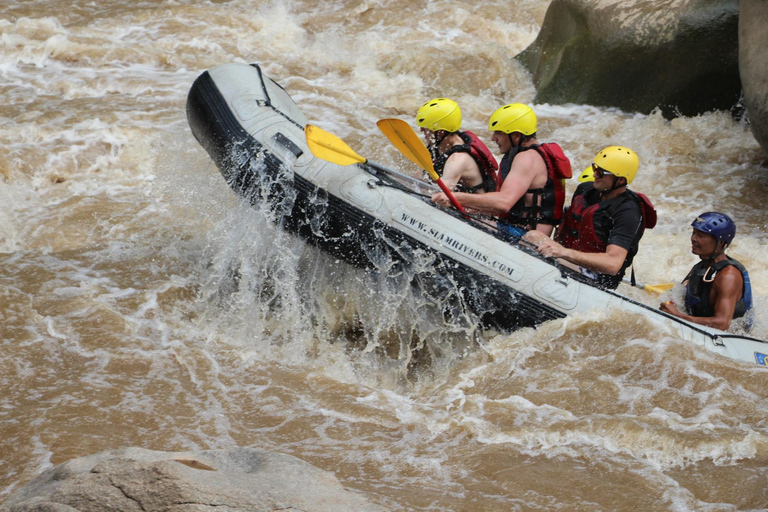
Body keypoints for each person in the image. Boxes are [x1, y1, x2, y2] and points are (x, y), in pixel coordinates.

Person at [431, 103, 572, 237]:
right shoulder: (527, 154)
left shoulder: (527, 158)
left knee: (457, 224)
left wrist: (455, 197)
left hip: (525, 239)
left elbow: (504, 203)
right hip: (516, 229)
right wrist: (467, 205)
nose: (493, 138)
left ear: (516, 136)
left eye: (499, 133)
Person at [532, 146, 657, 289]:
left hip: (597, 277)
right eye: (595, 168)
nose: (595, 175)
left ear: (620, 180)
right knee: (532, 236)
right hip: (567, 259)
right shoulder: (585, 190)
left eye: (601, 172)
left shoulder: (628, 212)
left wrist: (564, 253)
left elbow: (613, 264)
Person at [660, 212, 753, 331]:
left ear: (720, 242)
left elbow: (722, 324)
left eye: (701, 235)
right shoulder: (702, 266)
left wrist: (678, 316)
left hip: (731, 340)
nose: (693, 239)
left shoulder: (728, 276)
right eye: (694, 233)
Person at [415, 98, 499, 193]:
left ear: (441, 131)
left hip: (475, 206)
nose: (422, 130)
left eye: (427, 128)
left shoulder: (458, 158)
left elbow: (439, 192)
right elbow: (420, 177)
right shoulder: (440, 146)